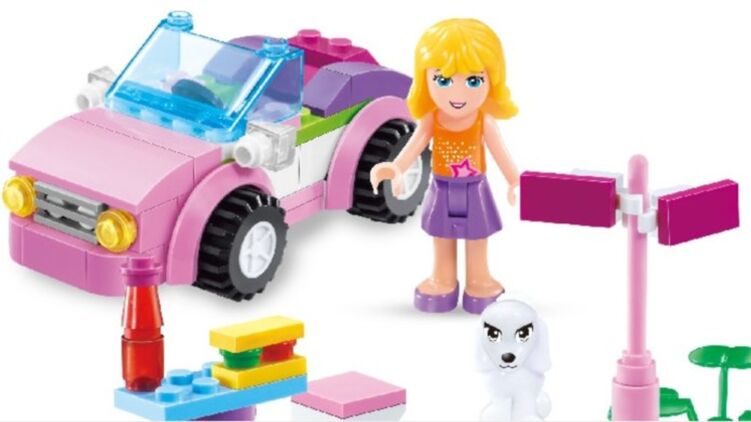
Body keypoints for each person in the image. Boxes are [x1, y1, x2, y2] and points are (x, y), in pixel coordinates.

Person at [370, 18, 519, 314]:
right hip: (441, 186)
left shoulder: (484, 121)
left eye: (473, 81)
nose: (458, 94)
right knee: (442, 235)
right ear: (425, 80)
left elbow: (500, 152)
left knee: (477, 236)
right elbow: (415, 144)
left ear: (492, 80)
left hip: (475, 187)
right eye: (443, 80)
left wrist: (515, 181)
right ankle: (443, 279)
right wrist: (396, 168)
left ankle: (479, 279)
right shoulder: (432, 119)